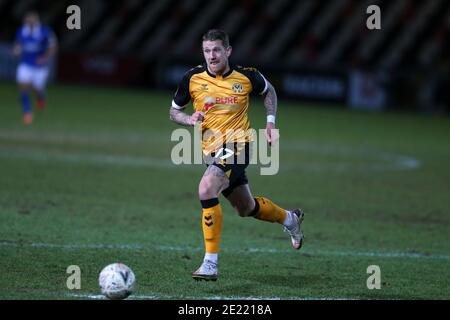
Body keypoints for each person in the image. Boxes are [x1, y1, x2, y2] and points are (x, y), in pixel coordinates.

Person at [169, 29, 305, 281]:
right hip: (210, 151)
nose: (212, 56)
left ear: (227, 51)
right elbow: (174, 112)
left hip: (238, 144)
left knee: (207, 187)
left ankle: (210, 263)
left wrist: (271, 123)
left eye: (217, 50)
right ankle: (290, 219)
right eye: (207, 51)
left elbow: (269, 92)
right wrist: (189, 118)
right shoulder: (192, 78)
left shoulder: (246, 76)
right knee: (246, 207)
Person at [12, 11, 57, 125]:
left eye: (32, 20)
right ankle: (27, 112)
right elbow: (17, 46)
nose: (30, 22)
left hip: (39, 67)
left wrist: (45, 58)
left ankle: (41, 98)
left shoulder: (45, 31)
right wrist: (16, 51)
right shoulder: (21, 31)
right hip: (25, 64)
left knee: (38, 89)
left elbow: (53, 47)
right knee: (24, 87)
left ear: (37, 20)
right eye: (28, 20)